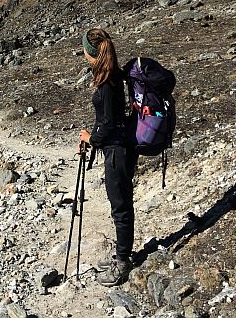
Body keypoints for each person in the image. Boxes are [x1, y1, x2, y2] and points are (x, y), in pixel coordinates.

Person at [77, 27, 138, 286]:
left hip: (117, 151)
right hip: (121, 147)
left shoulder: (106, 85)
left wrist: (90, 139)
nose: (82, 53)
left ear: (92, 54)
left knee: (120, 207)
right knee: (120, 203)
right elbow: (108, 119)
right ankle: (121, 254)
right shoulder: (112, 77)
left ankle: (122, 262)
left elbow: (110, 124)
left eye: (84, 50)